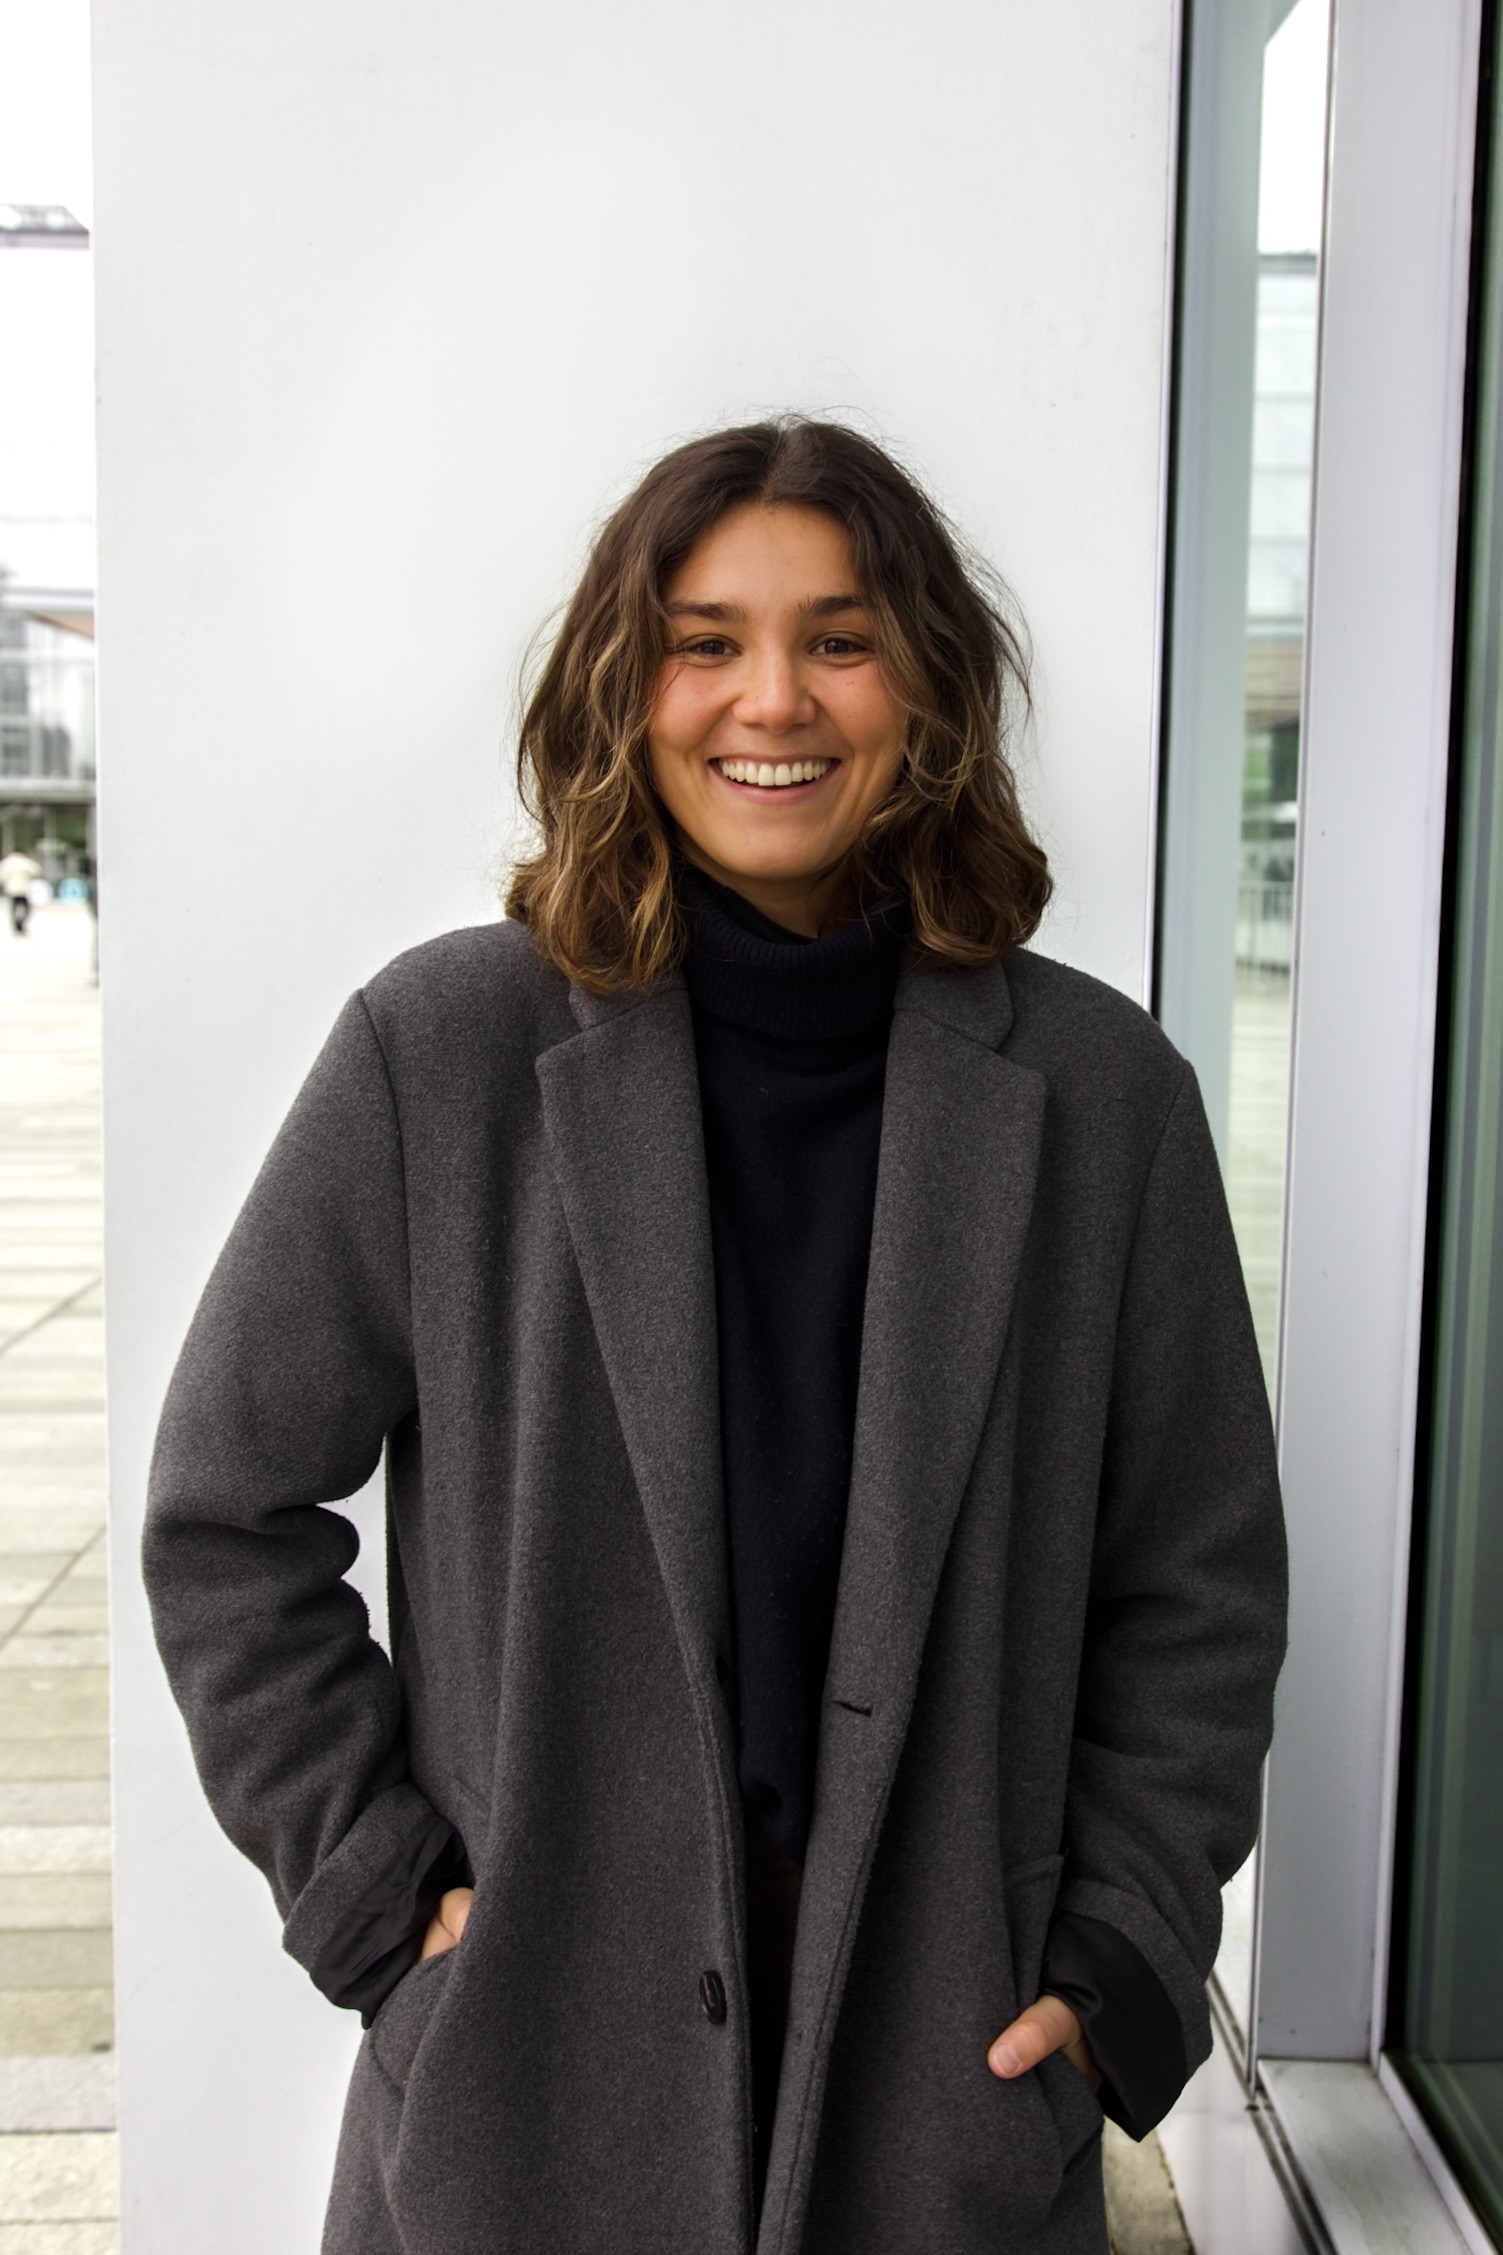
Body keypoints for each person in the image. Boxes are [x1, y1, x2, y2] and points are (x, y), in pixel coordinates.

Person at [144, 420, 1286, 2255]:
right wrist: (385, 1912)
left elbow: (1198, 1586)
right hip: (525, 2117)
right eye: (704, 639)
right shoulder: (440, 1058)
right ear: (625, 684)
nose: (775, 697)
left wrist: (1114, 1972)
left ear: (922, 681)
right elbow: (223, 1515)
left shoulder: (1099, 1101)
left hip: (947, 2114)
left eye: (838, 637)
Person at [0, 849, 41, 936]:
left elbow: (2, 875)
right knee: (27, 909)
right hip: (24, 889)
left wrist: (5, 883)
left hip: (11, 889)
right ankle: (21, 924)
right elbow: (36, 871)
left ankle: (15, 926)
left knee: (14, 909)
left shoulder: (7, 862)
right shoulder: (26, 862)